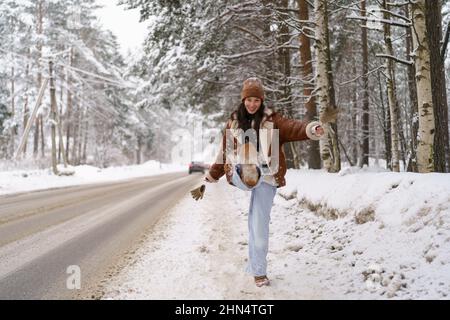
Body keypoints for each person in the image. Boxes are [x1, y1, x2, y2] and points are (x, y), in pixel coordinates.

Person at [204, 77, 325, 287]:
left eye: (256, 100)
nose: (252, 104)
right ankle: (240, 172)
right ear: (243, 100)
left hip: (267, 177)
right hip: (242, 173)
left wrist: (310, 129)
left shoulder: (273, 121)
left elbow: (293, 127)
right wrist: (215, 173)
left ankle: (258, 271)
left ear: (261, 101)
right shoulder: (233, 122)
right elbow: (225, 150)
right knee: (241, 170)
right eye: (249, 100)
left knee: (258, 227)